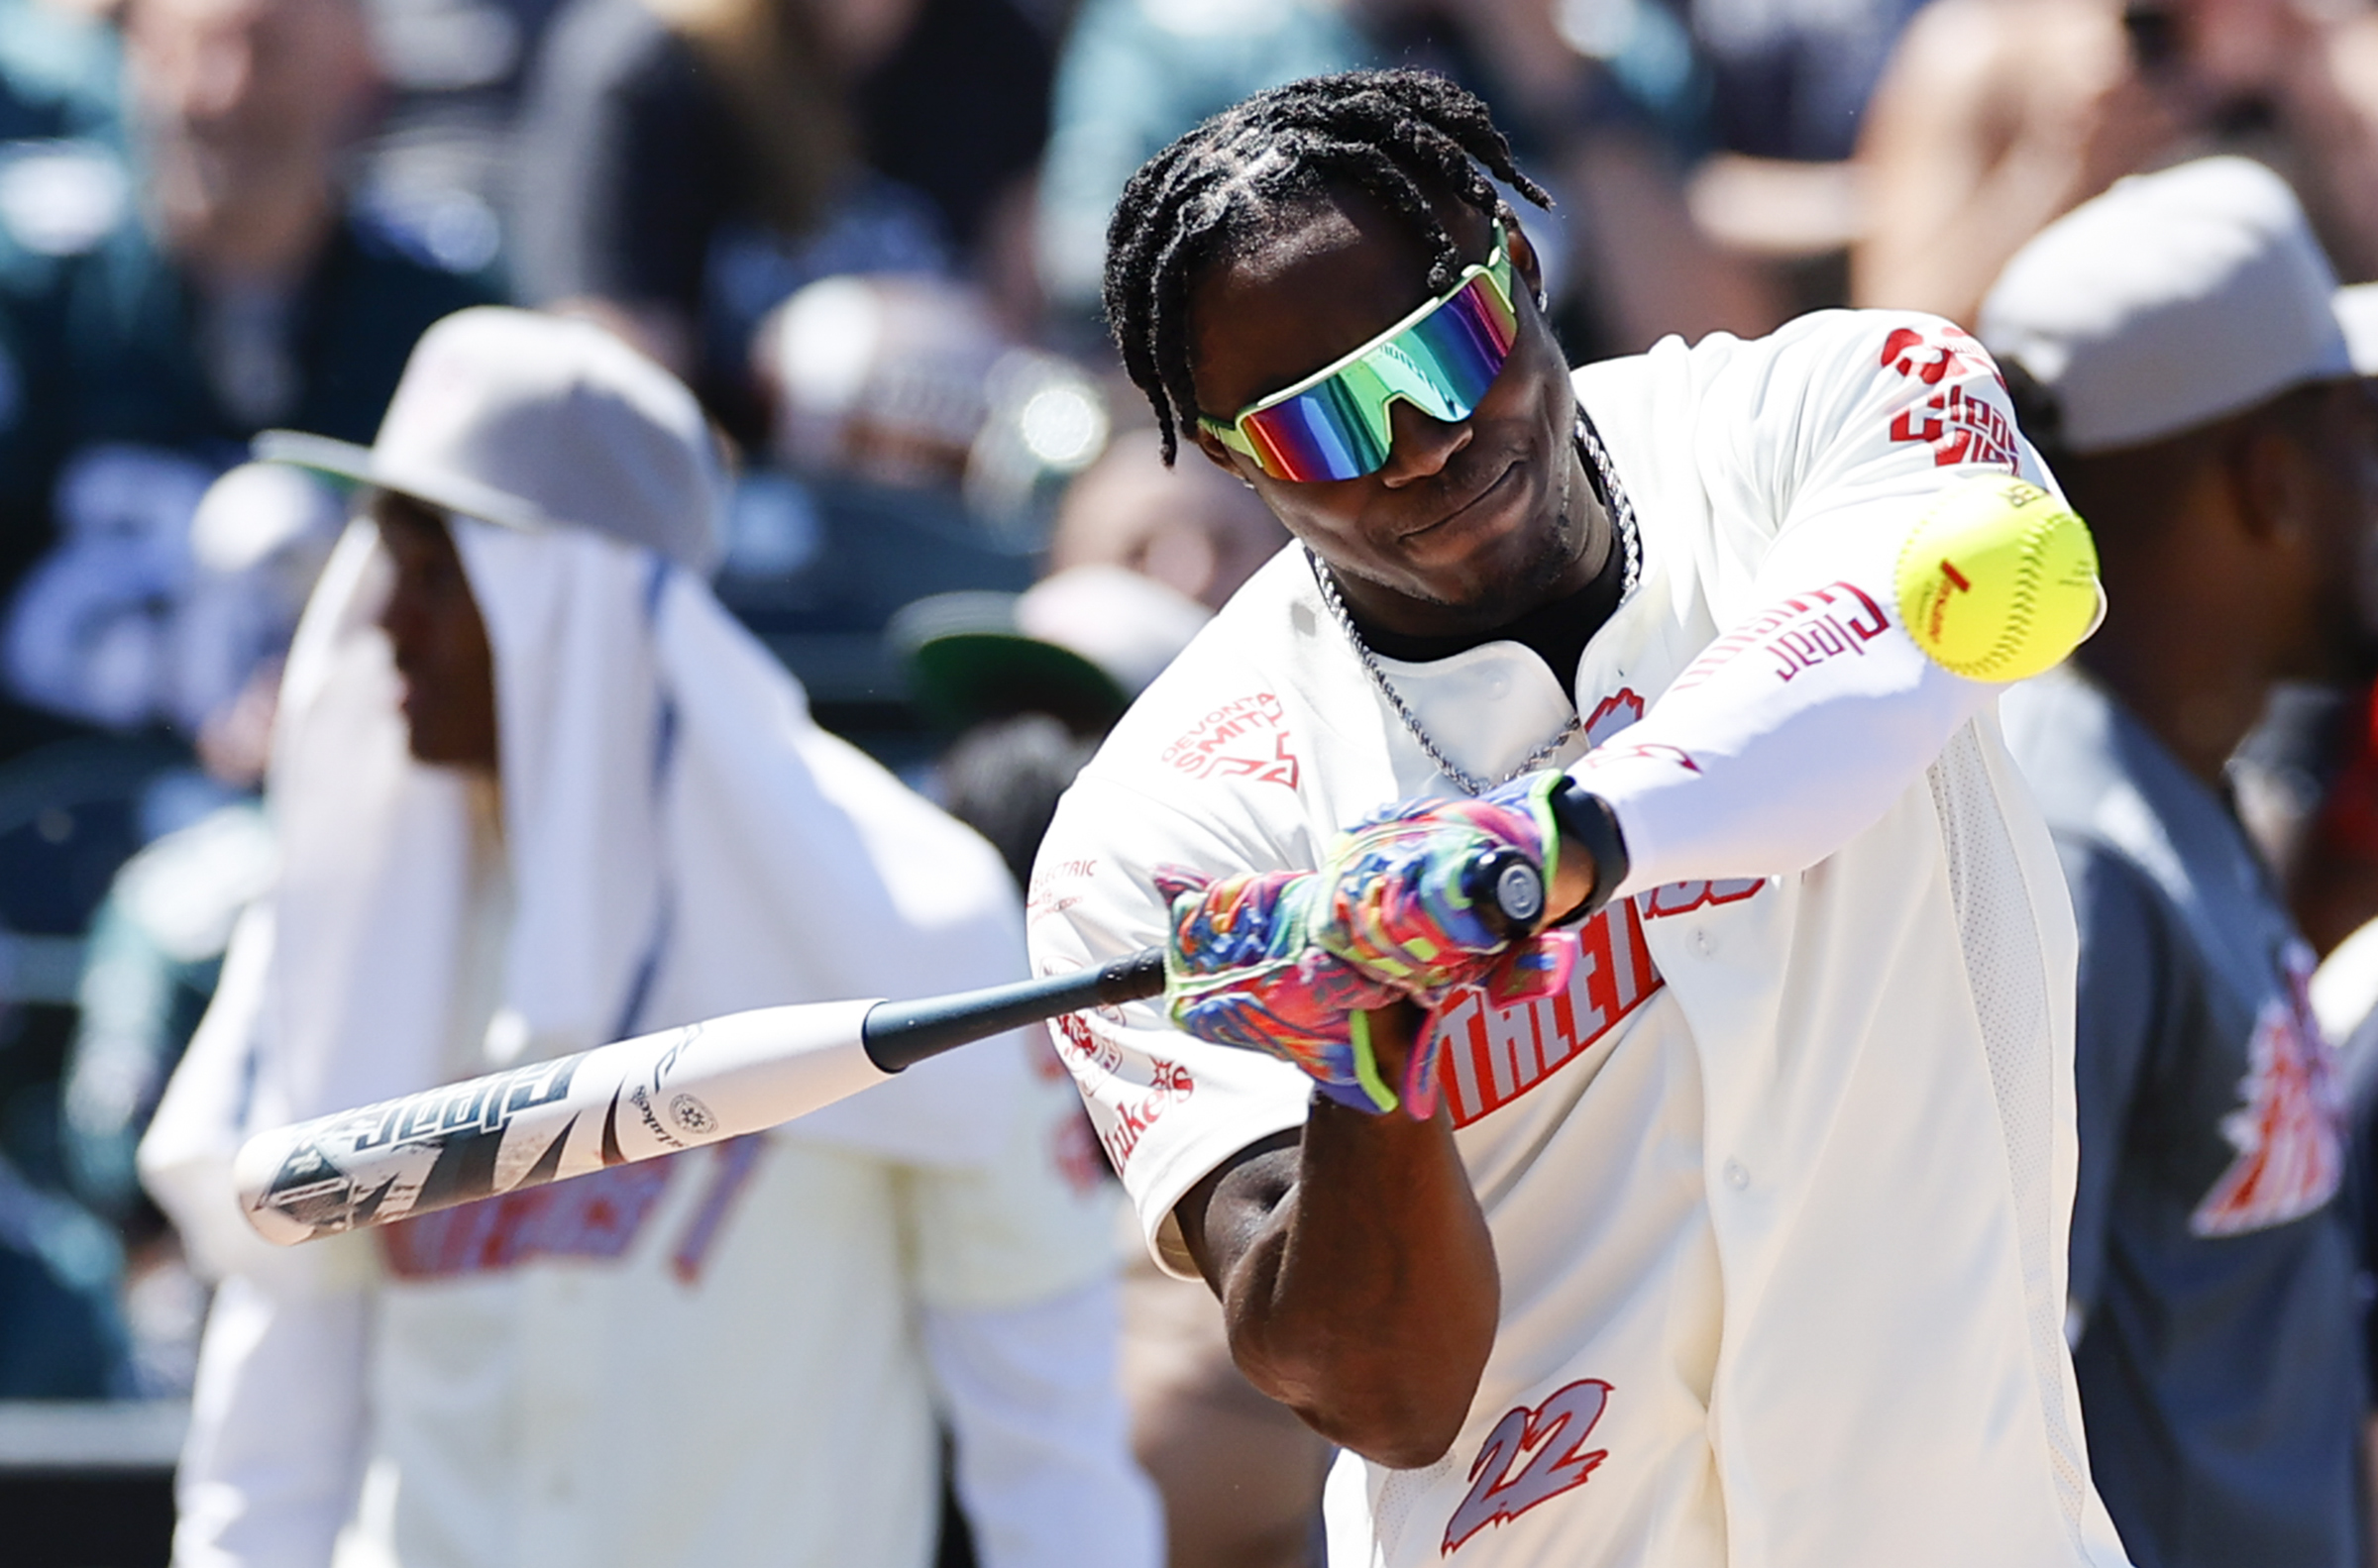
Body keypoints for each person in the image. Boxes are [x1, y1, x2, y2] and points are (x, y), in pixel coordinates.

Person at [1030, 67, 2132, 1568]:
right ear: (1229, 462)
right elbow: (1383, 1393)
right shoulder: (1170, 823)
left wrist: (1546, 842)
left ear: (1521, 265)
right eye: (1322, 425)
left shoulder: (1826, 410)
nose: (1422, 438)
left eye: (1449, 341)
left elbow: (1875, 664)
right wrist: (1373, 1053)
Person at [139, 307, 1159, 1568]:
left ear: (571, 602)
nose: (380, 619)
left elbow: (1045, 1431)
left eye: (433, 565)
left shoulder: (903, 907)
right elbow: (275, 1391)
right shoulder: (356, 904)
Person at [1979, 158, 2378, 1568]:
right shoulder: (2070, 848)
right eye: (2360, 436)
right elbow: (1979, 1427)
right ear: (2273, 479)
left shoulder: (2157, 782)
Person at [0, 0, 494, 761]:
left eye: (268, 53)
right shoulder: (33, 298)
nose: (222, 92)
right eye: (190, 51)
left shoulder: (443, 317)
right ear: (131, 59)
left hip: (340, 830)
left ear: (356, 70)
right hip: (50, 831)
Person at [1851, 0, 2378, 328]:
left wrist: (2308, 91)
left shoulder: (2321, 50)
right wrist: (2062, 171)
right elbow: (1901, 337)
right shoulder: (1977, 52)